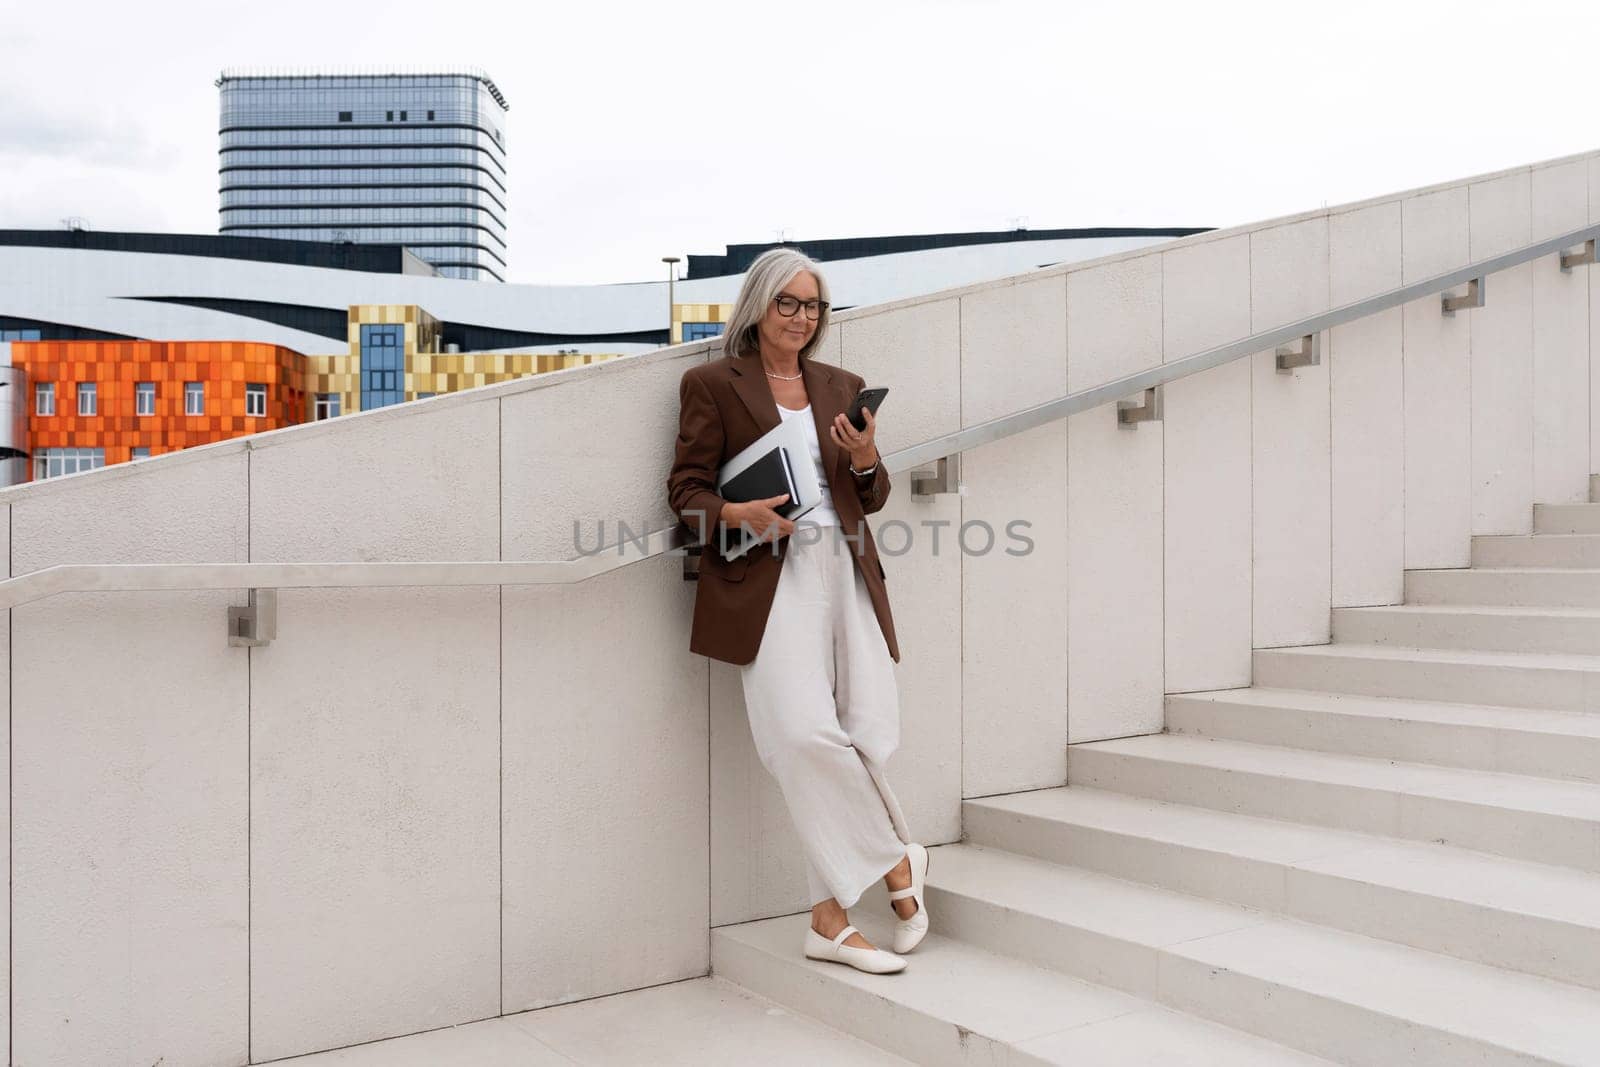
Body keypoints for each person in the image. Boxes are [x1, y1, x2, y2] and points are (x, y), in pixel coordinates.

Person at [667, 248, 929, 975]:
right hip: (765, 572)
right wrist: (736, 512)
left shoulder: (839, 385)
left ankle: (828, 918)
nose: (803, 317)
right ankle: (900, 865)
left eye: (813, 305)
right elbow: (684, 491)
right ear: (758, 305)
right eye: (789, 302)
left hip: (843, 565)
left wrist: (869, 455)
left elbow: (869, 496)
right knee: (801, 733)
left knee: (869, 728)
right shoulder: (712, 383)